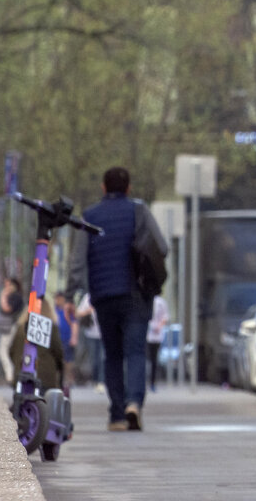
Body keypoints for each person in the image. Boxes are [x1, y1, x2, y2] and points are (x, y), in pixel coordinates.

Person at [66, 166, 166, 432]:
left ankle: (117, 415)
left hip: (104, 295)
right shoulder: (139, 211)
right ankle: (134, 403)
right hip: (136, 293)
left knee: (112, 355)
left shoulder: (89, 216)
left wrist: (69, 295)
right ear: (128, 188)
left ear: (103, 188)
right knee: (135, 352)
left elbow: (78, 261)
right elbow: (161, 246)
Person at [9, 297, 66, 392]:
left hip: (20, 378)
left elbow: (11, 351)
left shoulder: (20, 328)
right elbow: (58, 353)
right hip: (45, 379)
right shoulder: (51, 328)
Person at [0, 278, 25, 383]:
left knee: (2, 350)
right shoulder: (15, 296)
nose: (6, 288)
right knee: (6, 350)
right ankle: (11, 373)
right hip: (8, 326)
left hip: (11, 326)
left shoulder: (15, 297)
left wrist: (3, 296)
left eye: (8, 285)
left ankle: (10, 373)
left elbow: (6, 308)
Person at [146, 294, 169, 393]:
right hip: (146, 335)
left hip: (157, 335)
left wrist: (159, 326)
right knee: (143, 358)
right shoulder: (145, 299)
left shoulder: (161, 302)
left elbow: (165, 316)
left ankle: (152, 382)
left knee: (154, 359)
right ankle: (142, 382)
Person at [53, 292, 75, 389]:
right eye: (57, 299)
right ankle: (58, 379)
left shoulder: (68, 310)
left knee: (68, 360)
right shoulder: (53, 310)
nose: (58, 301)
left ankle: (68, 380)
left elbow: (74, 323)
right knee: (58, 360)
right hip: (57, 339)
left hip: (67, 338)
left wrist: (74, 337)